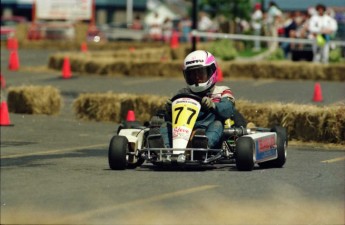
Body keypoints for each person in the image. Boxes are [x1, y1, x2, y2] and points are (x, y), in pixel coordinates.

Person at [160, 50, 240, 149]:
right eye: (192, 74)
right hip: (183, 130)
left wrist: (213, 106)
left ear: (212, 71)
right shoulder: (183, 93)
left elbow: (228, 109)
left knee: (217, 124)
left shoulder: (222, 91)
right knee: (165, 125)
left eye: (201, 73)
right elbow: (173, 119)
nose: (197, 77)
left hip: (208, 129)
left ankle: (203, 146)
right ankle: (165, 150)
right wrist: (169, 110)